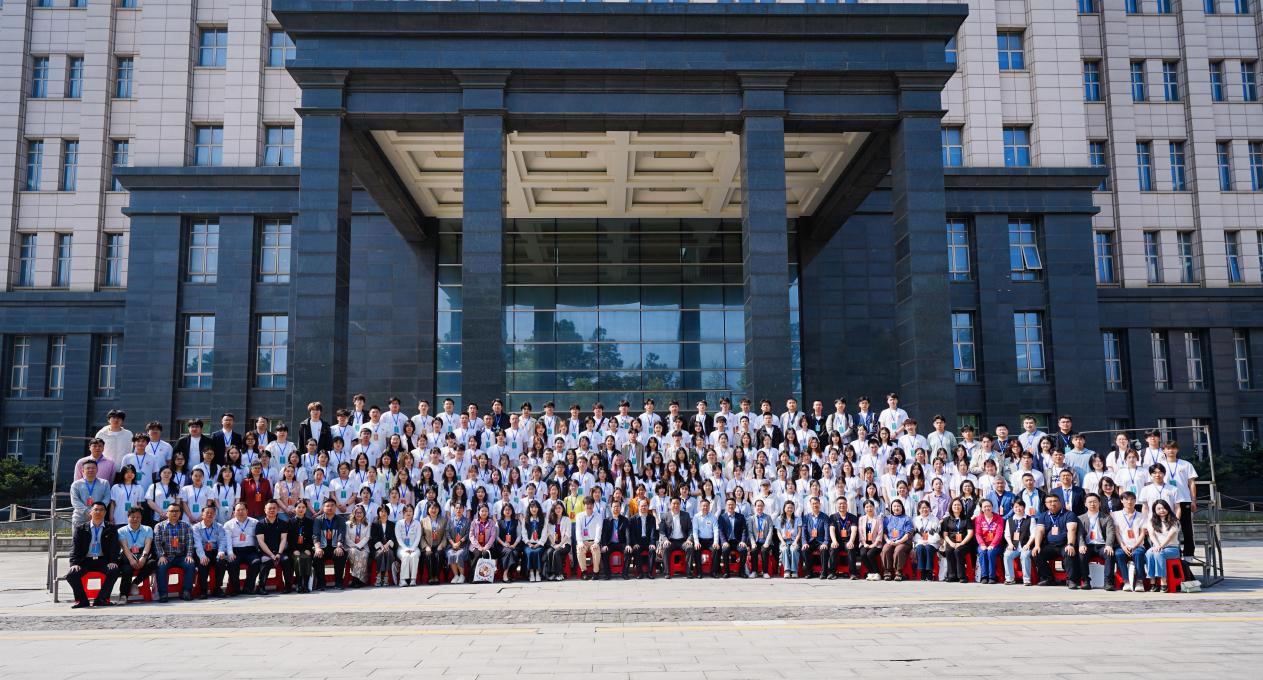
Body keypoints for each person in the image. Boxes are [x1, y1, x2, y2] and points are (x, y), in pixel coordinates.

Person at [65, 502, 121, 608]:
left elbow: (115, 547)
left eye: (101, 510)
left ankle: (101, 599)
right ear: (91, 512)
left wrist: (112, 561)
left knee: (114, 570)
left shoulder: (111, 528)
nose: (98, 512)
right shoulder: (81, 528)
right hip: (85, 560)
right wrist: (74, 563)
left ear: (105, 513)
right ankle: (82, 600)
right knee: (71, 575)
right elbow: (74, 548)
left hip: (102, 560)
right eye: (96, 509)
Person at [1032, 494, 1080, 588]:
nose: (1052, 503)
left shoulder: (1069, 514)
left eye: (1055, 501)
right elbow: (1039, 531)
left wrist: (1070, 544)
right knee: (1036, 553)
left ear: (1060, 502)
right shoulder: (1043, 516)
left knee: (1069, 552)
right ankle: (1048, 578)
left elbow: (1072, 530)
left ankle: (1071, 580)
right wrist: (1037, 545)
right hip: (1050, 545)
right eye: (1050, 502)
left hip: (1064, 545)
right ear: (1046, 504)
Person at [153, 502, 195, 602]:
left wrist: (189, 555)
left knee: (190, 564)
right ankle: (163, 594)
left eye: (177, 511)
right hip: (166, 556)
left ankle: (186, 591)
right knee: (161, 566)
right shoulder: (159, 526)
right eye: (172, 511)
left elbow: (190, 542)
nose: (174, 513)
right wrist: (161, 556)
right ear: (167, 513)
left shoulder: (186, 525)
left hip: (181, 556)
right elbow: (157, 543)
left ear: (180, 513)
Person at [1077, 493, 1115, 591]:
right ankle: (1085, 581)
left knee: (1109, 554)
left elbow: (1110, 533)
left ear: (1099, 503)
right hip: (1088, 545)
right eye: (1090, 502)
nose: (1092, 504)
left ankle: (1108, 582)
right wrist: (1081, 545)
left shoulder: (1107, 517)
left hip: (1102, 545)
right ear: (1085, 504)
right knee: (1081, 555)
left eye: (1095, 502)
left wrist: (1109, 545)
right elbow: (1080, 534)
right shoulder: (1080, 518)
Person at [116, 507, 154, 600]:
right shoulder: (121, 530)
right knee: (127, 569)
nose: (135, 519)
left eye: (138, 517)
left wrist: (143, 558)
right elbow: (124, 547)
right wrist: (131, 560)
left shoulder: (148, 529)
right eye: (132, 517)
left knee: (152, 563)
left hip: (142, 553)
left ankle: (135, 583)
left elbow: (148, 544)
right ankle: (123, 595)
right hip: (127, 555)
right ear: (128, 517)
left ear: (141, 518)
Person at [1144, 500, 1182, 593]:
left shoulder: (1174, 521)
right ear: (1154, 510)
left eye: (1164, 508)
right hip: (1158, 547)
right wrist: (1157, 545)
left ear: (1168, 509)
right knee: (1149, 553)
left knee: (1159, 554)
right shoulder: (1151, 521)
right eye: (1159, 508)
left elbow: (1170, 537)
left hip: (1172, 549)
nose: (1162, 510)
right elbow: (1151, 535)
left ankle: (1163, 582)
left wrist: (1161, 546)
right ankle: (1152, 581)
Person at [191, 505, 228, 598]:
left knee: (221, 561)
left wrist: (221, 551)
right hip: (202, 551)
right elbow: (197, 544)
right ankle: (203, 590)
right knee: (203, 563)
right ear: (202, 515)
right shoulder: (196, 527)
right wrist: (202, 556)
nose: (210, 515)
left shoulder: (219, 526)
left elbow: (222, 541)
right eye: (207, 513)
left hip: (215, 551)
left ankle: (217, 588)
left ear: (215, 515)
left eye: (212, 513)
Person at [222, 502, 259, 596]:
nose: (241, 512)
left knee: (256, 562)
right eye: (238, 510)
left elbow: (258, 538)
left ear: (247, 511)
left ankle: (248, 587)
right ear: (234, 512)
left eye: (243, 510)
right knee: (232, 563)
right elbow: (228, 540)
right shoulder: (228, 524)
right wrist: (230, 553)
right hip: (235, 551)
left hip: (250, 551)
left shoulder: (255, 522)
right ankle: (236, 589)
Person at [1113, 491, 1147, 591]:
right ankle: (1126, 581)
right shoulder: (1116, 515)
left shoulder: (1141, 515)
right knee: (1118, 554)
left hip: (1138, 545)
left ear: (1135, 501)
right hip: (1123, 546)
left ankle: (1139, 581)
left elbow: (1142, 533)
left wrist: (1135, 546)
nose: (1129, 502)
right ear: (1121, 501)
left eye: (1132, 499)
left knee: (1138, 553)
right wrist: (1123, 546)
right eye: (1126, 499)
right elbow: (1117, 533)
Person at [254, 500, 290, 594]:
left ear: (277, 510)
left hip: (279, 552)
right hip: (265, 552)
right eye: (269, 508)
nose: (272, 510)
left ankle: (288, 587)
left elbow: (283, 539)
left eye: (274, 508)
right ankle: (261, 587)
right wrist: (271, 555)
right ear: (265, 510)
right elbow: (261, 542)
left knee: (286, 560)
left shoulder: (283, 523)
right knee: (267, 561)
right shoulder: (260, 524)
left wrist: (279, 553)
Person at [312, 498, 347, 590]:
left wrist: (339, 546)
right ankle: (321, 583)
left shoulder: (340, 519)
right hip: (322, 547)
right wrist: (318, 548)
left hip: (335, 546)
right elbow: (316, 535)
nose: (330, 508)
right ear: (323, 508)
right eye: (327, 506)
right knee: (317, 556)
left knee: (340, 554)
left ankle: (338, 582)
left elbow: (341, 534)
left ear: (336, 507)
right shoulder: (318, 520)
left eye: (332, 505)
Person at [657, 497, 693, 580]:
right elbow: (661, 531)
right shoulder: (665, 516)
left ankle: (688, 572)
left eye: (678, 503)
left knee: (690, 547)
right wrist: (665, 540)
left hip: (683, 541)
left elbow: (690, 529)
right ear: (670, 505)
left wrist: (689, 539)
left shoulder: (686, 515)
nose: (676, 505)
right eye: (674, 503)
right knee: (665, 547)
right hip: (670, 541)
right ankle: (667, 572)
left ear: (680, 505)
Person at [1003, 498, 1035, 585]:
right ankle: (1010, 578)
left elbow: (1033, 534)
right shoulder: (1009, 520)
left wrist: (1028, 544)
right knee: (1007, 555)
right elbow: (1007, 534)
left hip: (1026, 545)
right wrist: (1010, 544)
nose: (1018, 508)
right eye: (1016, 507)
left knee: (1024, 556)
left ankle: (1027, 579)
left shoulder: (1030, 519)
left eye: (1020, 506)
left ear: (1024, 507)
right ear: (1013, 508)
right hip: (1014, 545)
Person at [940, 498, 973, 583]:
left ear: (962, 507)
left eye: (959, 505)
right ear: (951, 507)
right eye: (955, 505)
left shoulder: (966, 518)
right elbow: (945, 535)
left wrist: (962, 543)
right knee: (949, 551)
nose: (957, 507)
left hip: (964, 542)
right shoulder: (947, 520)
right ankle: (952, 576)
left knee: (958, 551)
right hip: (951, 542)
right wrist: (951, 543)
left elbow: (970, 533)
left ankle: (962, 576)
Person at [879, 499, 913, 581]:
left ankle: (898, 572)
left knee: (898, 550)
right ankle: (887, 572)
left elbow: (908, 533)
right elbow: (884, 532)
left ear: (902, 507)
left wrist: (899, 541)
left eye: (898, 506)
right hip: (890, 541)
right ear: (891, 508)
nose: (896, 508)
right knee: (886, 549)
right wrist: (887, 541)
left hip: (903, 542)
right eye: (894, 506)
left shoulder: (907, 518)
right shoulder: (887, 518)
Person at [70, 459, 111, 527]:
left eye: (93, 468)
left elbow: (107, 498)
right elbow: (75, 501)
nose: (91, 470)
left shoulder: (104, 483)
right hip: (80, 518)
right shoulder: (76, 484)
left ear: (97, 470)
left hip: (98, 517)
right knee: (79, 534)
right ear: (83, 470)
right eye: (88, 468)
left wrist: (97, 510)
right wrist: (88, 511)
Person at [973, 498, 1004, 584]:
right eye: (985, 507)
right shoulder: (979, 518)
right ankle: (984, 576)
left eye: (989, 506)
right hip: (983, 544)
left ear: (992, 507)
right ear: (981, 508)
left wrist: (992, 545)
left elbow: (999, 534)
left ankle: (992, 577)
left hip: (996, 545)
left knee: (990, 552)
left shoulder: (999, 518)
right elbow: (978, 534)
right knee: (982, 552)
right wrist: (982, 544)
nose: (987, 508)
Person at [287, 499, 314, 593]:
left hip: (306, 548)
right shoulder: (290, 522)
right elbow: (289, 538)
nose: (301, 509)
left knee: (306, 558)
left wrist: (308, 548)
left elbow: (312, 537)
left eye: (303, 507)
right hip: (294, 549)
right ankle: (299, 584)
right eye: (299, 507)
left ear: (306, 509)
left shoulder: (310, 522)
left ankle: (305, 584)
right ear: (295, 509)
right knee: (298, 559)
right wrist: (294, 549)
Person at [628, 499, 659, 579]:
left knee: (652, 550)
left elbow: (653, 532)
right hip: (638, 541)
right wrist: (634, 543)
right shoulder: (633, 519)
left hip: (648, 541)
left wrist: (652, 543)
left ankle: (650, 572)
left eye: (645, 506)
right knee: (636, 549)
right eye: (642, 506)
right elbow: (632, 533)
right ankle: (639, 573)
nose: (643, 507)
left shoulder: (651, 518)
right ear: (638, 507)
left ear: (648, 507)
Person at [799, 497, 829, 579]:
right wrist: (804, 542)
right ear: (810, 505)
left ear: (820, 504)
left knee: (824, 549)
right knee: (805, 549)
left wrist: (825, 543)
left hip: (821, 541)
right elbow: (803, 532)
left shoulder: (825, 517)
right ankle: (809, 572)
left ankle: (824, 573)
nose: (815, 505)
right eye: (813, 503)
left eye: (816, 503)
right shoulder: (806, 517)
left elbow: (827, 531)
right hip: (810, 541)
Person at [574, 497, 603, 580]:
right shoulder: (579, 516)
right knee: (580, 550)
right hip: (583, 541)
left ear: (593, 505)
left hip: (594, 541)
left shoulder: (598, 516)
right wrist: (580, 542)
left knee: (596, 550)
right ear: (584, 506)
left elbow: (599, 529)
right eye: (587, 504)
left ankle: (596, 572)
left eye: (591, 504)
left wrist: (596, 542)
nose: (589, 506)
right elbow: (578, 530)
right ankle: (584, 572)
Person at [420, 501, 449, 585]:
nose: (434, 510)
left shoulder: (443, 520)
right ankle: (430, 577)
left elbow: (445, 535)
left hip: (439, 545)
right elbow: (421, 536)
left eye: (436, 508)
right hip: (428, 545)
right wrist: (426, 546)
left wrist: (441, 545)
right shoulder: (423, 521)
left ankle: (436, 576)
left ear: (439, 509)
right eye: (432, 508)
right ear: (428, 509)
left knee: (439, 553)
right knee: (428, 554)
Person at [912, 500, 941, 581]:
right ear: (919, 509)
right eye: (922, 508)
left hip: (932, 543)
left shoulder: (935, 519)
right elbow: (914, 535)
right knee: (920, 548)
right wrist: (921, 542)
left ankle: (929, 572)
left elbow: (937, 534)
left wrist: (928, 541)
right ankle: (922, 571)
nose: (924, 509)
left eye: (926, 507)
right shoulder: (915, 520)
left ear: (929, 508)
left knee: (928, 547)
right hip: (919, 542)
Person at [854, 500, 883, 581]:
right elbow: (860, 533)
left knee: (870, 554)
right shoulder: (861, 519)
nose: (869, 508)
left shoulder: (878, 519)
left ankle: (877, 573)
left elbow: (880, 533)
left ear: (874, 507)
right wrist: (864, 543)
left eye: (871, 506)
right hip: (865, 543)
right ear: (864, 508)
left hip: (876, 543)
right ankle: (871, 572)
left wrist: (874, 544)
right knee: (863, 554)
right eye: (867, 507)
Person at [600, 501, 630, 580]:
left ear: (620, 508)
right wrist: (604, 545)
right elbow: (604, 534)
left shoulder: (625, 520)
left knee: (628, 551)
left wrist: (628, 545)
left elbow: (627, 533)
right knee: (604, 552)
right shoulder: (606, 521)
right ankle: (607, 574)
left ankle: (625, 573)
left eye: (618, 506)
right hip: (610, 543)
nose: (616, 508)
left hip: (621, 543)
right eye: (614, 507)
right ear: (611, 508)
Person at [370, 505, 397, 587]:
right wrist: (381, 546)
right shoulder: (374, 524)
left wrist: (387, 544)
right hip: (378, 548)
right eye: (381, 511)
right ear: (378, 513)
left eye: (385, 511)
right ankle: (379, 575)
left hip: (389, 547)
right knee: (381, 552)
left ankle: (386, 575)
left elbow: (394, 537)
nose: (383, 513)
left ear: (388, 513)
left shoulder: (392, 524)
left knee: (388, 552)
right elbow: (374, 538)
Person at [396, 504, 422, 586]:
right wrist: (405, 548)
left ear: (413, 513)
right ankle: (402, 580)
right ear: (403, 513)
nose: (408, 513)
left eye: (410, 511)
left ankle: (413, 579)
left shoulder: (417, 523)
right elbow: (399, 538)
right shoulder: (399, 523)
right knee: (406, 556)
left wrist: (413, 548)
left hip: (414, 547)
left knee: (414, 556)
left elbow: (418, 537)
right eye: (406, 511)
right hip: (402, 548)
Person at [545, 502, 572, 582]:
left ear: (563, 509)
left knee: (556, 552)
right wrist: (553, 544)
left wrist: (560, 544)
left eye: (559, 508)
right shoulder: (551, 520)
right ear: (554, 510)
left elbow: (568, 534)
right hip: (554, 544)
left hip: (565, 544)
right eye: (556, 508)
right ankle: (551, 573)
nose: (558, 510)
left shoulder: (566, 519)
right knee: (549, 552)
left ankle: (560, 574)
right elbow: (549, 534)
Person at [496, 503, 523, 582]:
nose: (507, 511)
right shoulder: (499, 522)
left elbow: (519, 535)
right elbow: (496, 536)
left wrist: (514, 545)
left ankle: (508, 573)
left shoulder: (516, 522)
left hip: (514, 545)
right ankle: (506, 573)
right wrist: (503, 544)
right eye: (506, 510)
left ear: (512, 511)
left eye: (509, 510)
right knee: (509, 552)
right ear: (503, 511)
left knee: (514, 552)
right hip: (502, 546)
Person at [447, 503, 472, 583]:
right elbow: (447, 533)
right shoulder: (450, 520)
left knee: (458, 554)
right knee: (450, 554)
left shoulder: (467, 521)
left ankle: (462, 575)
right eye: (457, 508)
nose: (458, 510)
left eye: (460, 508)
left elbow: (468, 534)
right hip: (452, 545)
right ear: (454, 509)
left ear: (463, 510)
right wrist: (453, 543)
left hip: (463, 545)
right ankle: (456, 575)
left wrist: (460, 542)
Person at [775, 500, 801, 578]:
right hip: (784, 540)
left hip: (794, 540)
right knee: (784, 549)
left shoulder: (797, 518)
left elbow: (799, 531)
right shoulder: (779, 518)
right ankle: (787, 570)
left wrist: (796, 541)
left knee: (793, 550)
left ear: (794, 509)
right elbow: (778, 532)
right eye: (788, 507)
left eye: (791, 508)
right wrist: (782, 542)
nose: (790, 509)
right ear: (784, 508)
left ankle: (794, 571)